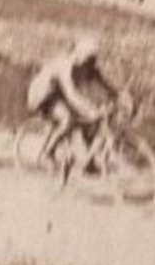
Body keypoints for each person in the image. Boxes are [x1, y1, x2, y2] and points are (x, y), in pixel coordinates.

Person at [26, 35, 124, 175]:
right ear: (80, 54)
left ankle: (88, 161)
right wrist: (90, 109)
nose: (91, 61)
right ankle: (48, 153)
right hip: (43, 96)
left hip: (59, 95)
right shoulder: (66, 65)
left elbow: (104, 83)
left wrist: (119, 96)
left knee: (92, 121)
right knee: (67, 119)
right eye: (88, 57)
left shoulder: (88, 66)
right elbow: (71, 93)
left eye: (93, 58)